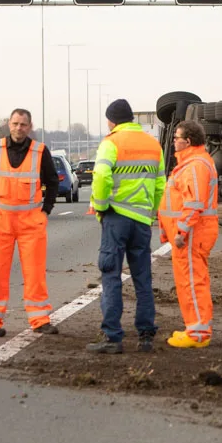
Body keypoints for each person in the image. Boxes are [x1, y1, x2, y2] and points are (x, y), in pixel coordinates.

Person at [86, 99, 166, 354]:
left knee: (111, 275)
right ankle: (145, 335)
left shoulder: (111, 142)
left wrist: (100, 206)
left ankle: (112, 336)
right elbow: (160, 184)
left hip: (116, 216)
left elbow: (100, 175)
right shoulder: (153, 145)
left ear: (111, 120)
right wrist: (149, 212)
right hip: (142, 220)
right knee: (142, 277)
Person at [0, 108, 60, 334]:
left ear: (30, 126)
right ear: (9, 124)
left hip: (30, 222)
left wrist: (46, 209)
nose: (18, 128)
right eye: (15, 124)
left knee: (35, 273)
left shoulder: (40, 151)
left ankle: (40, 319)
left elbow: (51, 182)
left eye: (23, 125)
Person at [157, 120, 219, 349]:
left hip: (193, 233)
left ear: (188, 141)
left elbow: (194, 203)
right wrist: (168, 229)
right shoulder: (192, 163)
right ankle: (194, 327)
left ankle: (198, 333)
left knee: (192, 282)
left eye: (177, 138)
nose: (174, 142)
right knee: (188, 281)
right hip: (189, 233)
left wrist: (181, 230)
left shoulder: (195, 165)